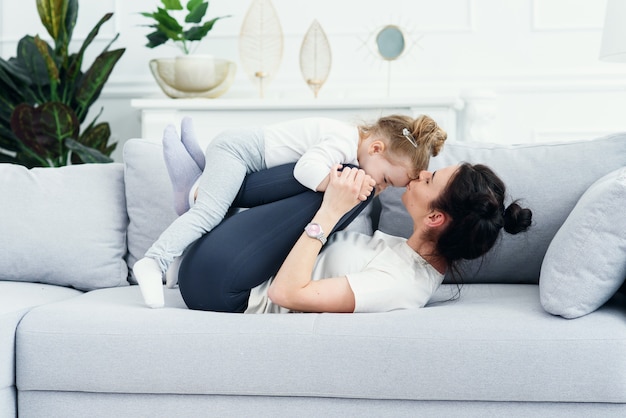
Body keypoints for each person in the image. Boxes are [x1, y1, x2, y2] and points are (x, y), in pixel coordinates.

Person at [134, 114, 448, 308]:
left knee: (219, 211)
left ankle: (198, 185)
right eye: (385, 180)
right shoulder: (342, 143)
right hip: (238, 152)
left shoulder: (353, 148)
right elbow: (304, 170)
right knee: (209, 213)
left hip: (242, 162)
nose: (379, 188)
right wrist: (334, 185)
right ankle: (153, 260)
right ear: (376, 148)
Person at [175, 161, 532, 314]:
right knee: (350, 176)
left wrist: (329, 212)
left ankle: (203, 191)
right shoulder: (405, 254)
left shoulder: (400, 284)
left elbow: (285, 294)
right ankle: (207, 191)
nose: (421, 173)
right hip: (237, 267)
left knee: (344, 180)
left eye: (430, 179)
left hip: (221, 288)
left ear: (436, 217)